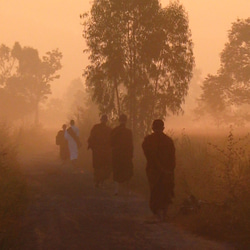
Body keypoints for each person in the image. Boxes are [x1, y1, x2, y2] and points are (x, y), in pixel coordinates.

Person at [142, 119, 175, 222]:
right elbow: (173, 158)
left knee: (155, 191)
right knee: (166, 191)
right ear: (163, 128)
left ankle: (157, 213)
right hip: (167, 171)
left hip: (153, 171)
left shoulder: (148, 140)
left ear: (152, 128)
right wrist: (169, 170)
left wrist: (157, 166)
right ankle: (164, 213)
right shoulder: (169, 141)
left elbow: (147, 154)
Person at [110, 114, 133, 195]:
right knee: (128, 172)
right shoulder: (128, 132)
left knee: (116, 171)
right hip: (126, 155)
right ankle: (128, 190)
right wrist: (131, 155)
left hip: (116, 154)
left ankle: (116, 190)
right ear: (126, 121)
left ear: (119, 120)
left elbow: (111, 143)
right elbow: (131, 145)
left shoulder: (115, 130)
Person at [88, 114, 112, 188]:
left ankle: (97, 182)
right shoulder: (108, 130)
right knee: (103, 166)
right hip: (104, 151)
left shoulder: (96, 127)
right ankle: (101, 181)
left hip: (97, 151)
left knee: (97, 166)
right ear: (106, 121)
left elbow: (91, 138)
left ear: (101, 120)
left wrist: (92, 146)